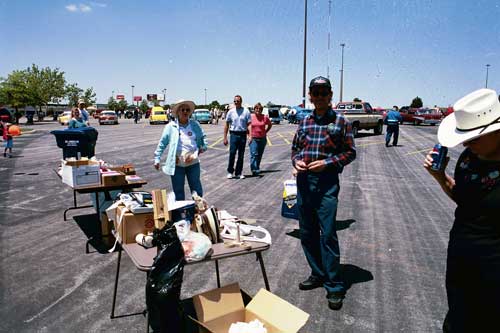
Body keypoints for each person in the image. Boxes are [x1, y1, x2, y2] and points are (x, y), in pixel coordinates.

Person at [423, 88, 500, 332]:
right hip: (462, 251)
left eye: (475, 137)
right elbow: (465, 199)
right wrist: (440, 177)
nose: (467, 143)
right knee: (458, 317)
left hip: (495, 262)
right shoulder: (469, 157)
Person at [291, 76, 356, 311]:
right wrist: (296, 162)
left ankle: (334, 285)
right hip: (304, 181)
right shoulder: (304, 121)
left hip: (326, 182)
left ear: (330, 95)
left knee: (327, 234)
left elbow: (350, 152)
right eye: (315, 93)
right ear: (310, 96)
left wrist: (327, 163)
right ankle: (318, 273)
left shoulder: (341, 122)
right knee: (307, 233)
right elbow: (295, 149)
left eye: (323, 92)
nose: (319, 97)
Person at [154, 100, 208, 201]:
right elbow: (162, 143)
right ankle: (180, 214)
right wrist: (157, 158)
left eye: (187, 110)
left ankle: (198, 211)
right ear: (178, 112)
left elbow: (203, 137)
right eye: (182, 110)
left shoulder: (195, 125)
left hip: (193, 162)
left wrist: (203, 147)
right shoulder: (171, 126)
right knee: (178, 191)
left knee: (197, 190)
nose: (185, 112)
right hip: (177, 163)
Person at [223, 95, 251, 179]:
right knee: (232, 153)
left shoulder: (246, 111)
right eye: (235, 101)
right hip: (233, 134)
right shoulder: (231, 112)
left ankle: (238, 172)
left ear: (241, 101)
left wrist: (250, 135)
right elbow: (226, 125)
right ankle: (230, 171)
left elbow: (249, 124)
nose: (236, 102)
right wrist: (225, 137)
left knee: (241, 155)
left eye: (238, 101)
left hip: (243, 134)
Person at [248, 102, 272, 175]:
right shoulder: (251, 116)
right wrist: (249, 135)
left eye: (259, 109)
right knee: (254, 154)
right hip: (253, 138)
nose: (258, 110)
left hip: (262, 138)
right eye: (256, 108)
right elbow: (247, 126)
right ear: (254, 109)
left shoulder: (264, 117)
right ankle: (253, 169)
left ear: (261, 110)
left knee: (259, 154)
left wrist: (265, 131)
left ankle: (257, 167)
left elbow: (270, 125)